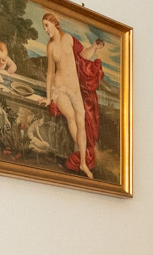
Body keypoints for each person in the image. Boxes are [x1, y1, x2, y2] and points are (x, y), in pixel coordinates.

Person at [42, 12, 111, 176]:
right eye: (44, 26)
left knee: (81, 122)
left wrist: (94, 47)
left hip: (74, 90)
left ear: (55, 24)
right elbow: (50, 72)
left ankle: (83, 164)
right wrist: (48, 97)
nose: (45, 30)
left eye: (47, 25)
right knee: (71, 116)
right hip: (59, 88)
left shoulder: (69, 39)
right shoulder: (50, 47)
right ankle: (83, 159)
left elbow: (83, 56)